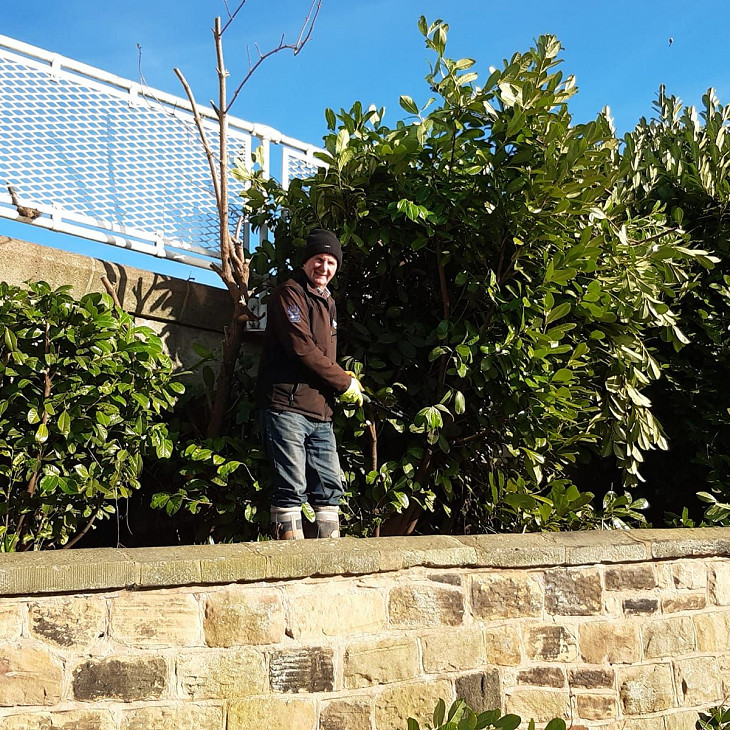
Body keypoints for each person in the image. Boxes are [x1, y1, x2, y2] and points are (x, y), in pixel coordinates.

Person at [257, 229, 363, 540]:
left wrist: (343, 383)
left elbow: (322, 357)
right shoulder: (289, 294)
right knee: (291, 489)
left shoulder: (328, 302)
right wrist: (344, 382)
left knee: (330, 490)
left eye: (331, 262)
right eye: (319, 259)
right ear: (307, 262)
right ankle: (290, 570)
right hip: (286, 408)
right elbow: (302, 348)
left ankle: (327, 570)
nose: (325, 267)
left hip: (321, 413)